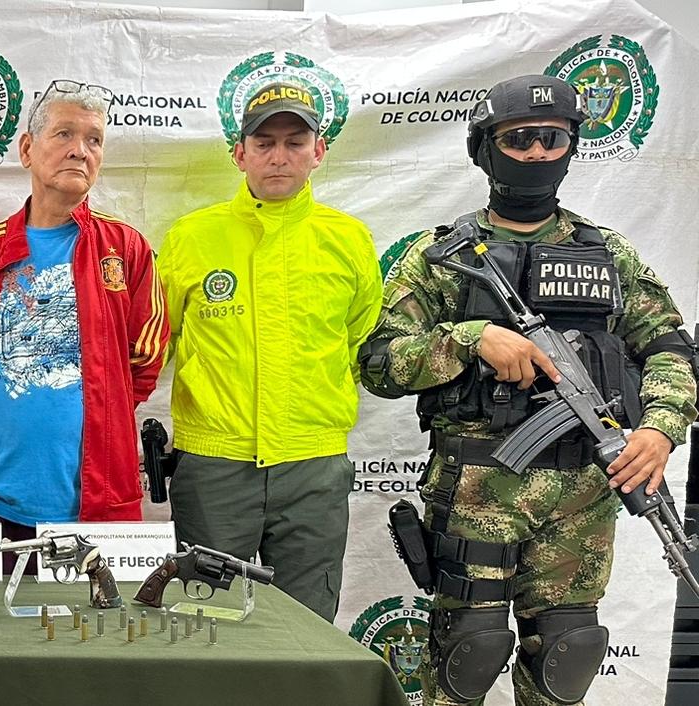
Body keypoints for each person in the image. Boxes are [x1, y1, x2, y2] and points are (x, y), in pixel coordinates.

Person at [359, 75, 697, 705]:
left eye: (553, 138)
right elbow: (379, 364)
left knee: (568, 655)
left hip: (584, 493)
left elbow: (670, 348)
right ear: (485, 148)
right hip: (477, 489)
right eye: (519, 139)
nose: (538, 152)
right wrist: (470, 339)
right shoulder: (441, 257)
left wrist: (660, 428)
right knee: (469, 651)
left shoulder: (609, 255)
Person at [154, 81, 382, 623]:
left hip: (312, 469)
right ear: (240, 154)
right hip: (214, 466)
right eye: (264, 143)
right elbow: (158, 342)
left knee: (307, 630)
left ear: (318, 151)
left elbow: (359, 339)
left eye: (295, 143)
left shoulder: (349, 240)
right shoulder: (191, 237)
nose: (279, 157)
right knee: (203, 627)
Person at [0, 80, 168, 547]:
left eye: (94, 140)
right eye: (64, 134)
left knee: (100, 601)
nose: (80, 151)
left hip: (97, 505)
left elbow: (146, 357)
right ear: (27, 149)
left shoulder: (126, 249)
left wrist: (102, 404)